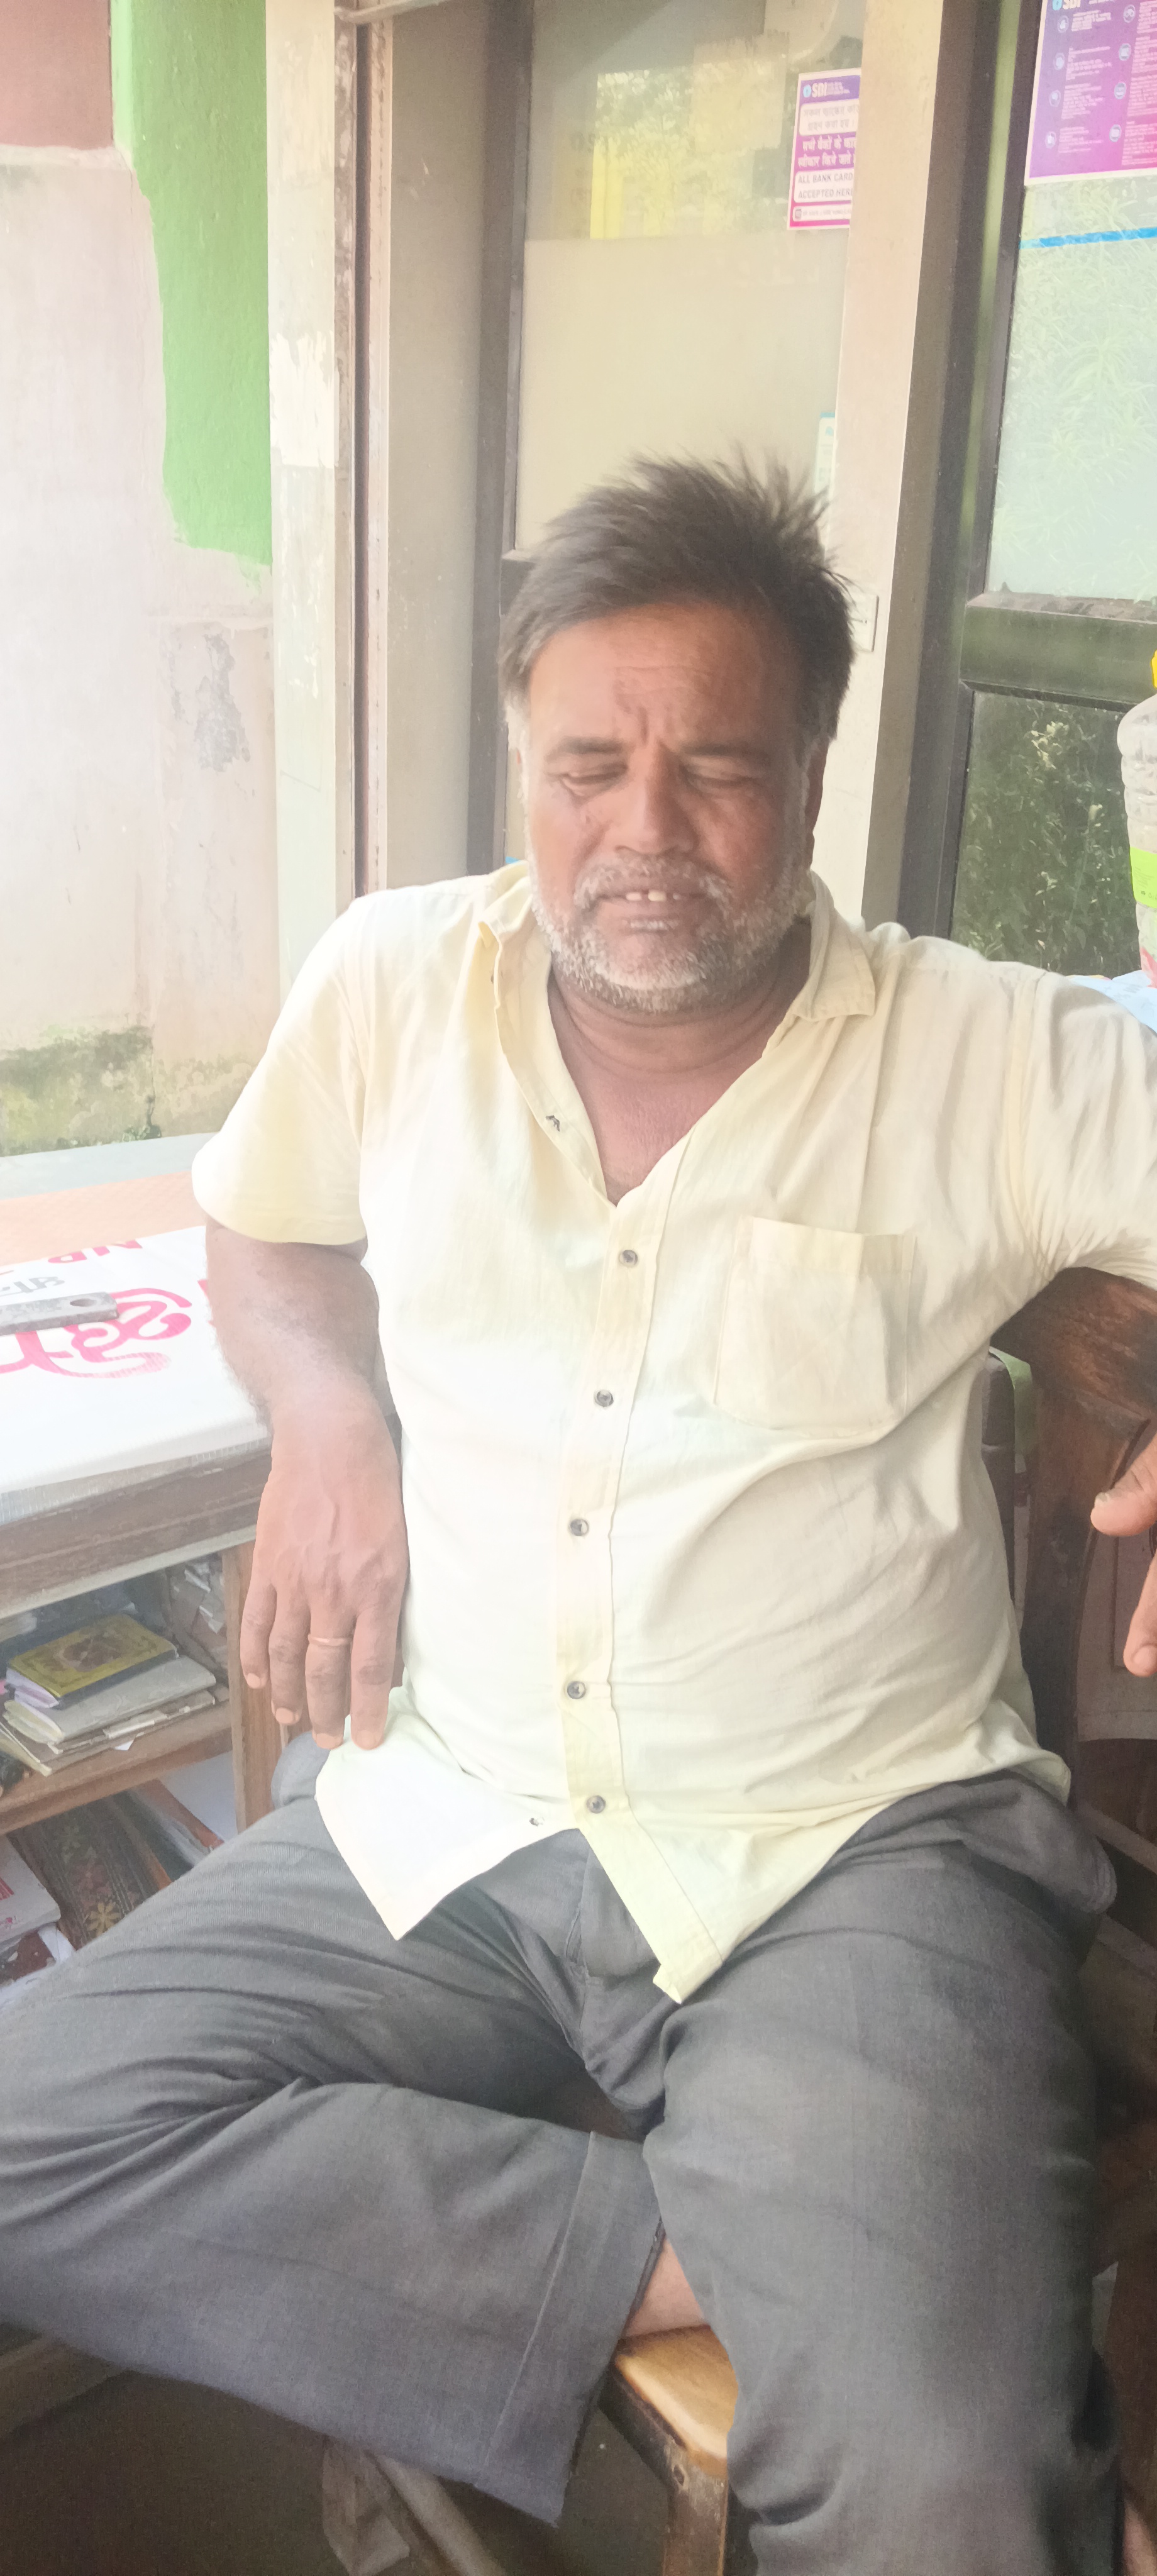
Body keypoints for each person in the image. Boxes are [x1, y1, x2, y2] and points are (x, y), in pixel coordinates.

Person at [3, 458, 1157, 2575]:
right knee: (19, 2129)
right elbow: (265, 1231)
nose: (647, 830)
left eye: (718, 768)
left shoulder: (985, 1055)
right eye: (589, 768)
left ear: (811, 777)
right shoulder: (391, 984)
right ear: (521, 762)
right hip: (457, 1816)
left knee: (946, 2488)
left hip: (852, 1849)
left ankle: (829, 2290)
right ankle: (722, 2251)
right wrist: (326, 1414)